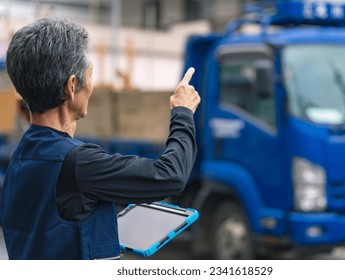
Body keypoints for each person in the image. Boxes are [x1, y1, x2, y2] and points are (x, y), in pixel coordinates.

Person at [0, 16, 200, 260]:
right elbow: (171, 176)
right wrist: (183, 112)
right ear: (72, 86)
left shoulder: (21, 156)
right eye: (90, 75)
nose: (92, 86)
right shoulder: (78, 162)